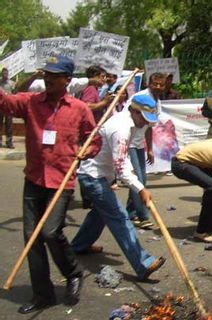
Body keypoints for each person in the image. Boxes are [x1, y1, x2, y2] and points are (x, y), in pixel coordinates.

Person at [0, 55, 102, 314]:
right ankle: (42, 293)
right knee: (31, 238)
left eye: (53, 76)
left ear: (67, 80)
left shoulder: (79, 108)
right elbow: (6, 103)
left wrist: (86, 150)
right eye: (46, 74)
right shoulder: (31, 103)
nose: (48, 79)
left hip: (62, 180)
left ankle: (73, 273)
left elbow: (94, 138)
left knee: (50, 232)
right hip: (34, 178)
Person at [71, 94, 166, 280]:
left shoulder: (129, 124)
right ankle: (143, 263)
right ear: (133, 111)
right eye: (143, 119)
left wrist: (138, 185)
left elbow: (123, 159)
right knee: (119, 217)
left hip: (98, 174)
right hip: (93, 176)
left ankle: (79, 245)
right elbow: (121, 166)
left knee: (100, 213)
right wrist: (140, 188)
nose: (145, 124)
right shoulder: (121, 129)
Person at [126, 72, 166, 229]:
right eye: (155, 83)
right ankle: (143, 216)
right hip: (129, 142)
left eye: (161, 84)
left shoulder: (157, 102)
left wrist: (149, 148)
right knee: (139, 180)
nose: (158, 86)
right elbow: (128, 116)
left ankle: (131, 213)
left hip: (139, 143)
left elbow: (149, 126)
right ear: (148, 83)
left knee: (142, 179)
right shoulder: (140, 97)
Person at [0, 67, 15, 148]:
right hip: (0, 106)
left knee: (9, 125)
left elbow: (14, 93)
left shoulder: (11, 83)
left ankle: (9, 142)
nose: (5, 75)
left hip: (9, 106)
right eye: (3, 73)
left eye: (6, 73)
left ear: (8, 74)